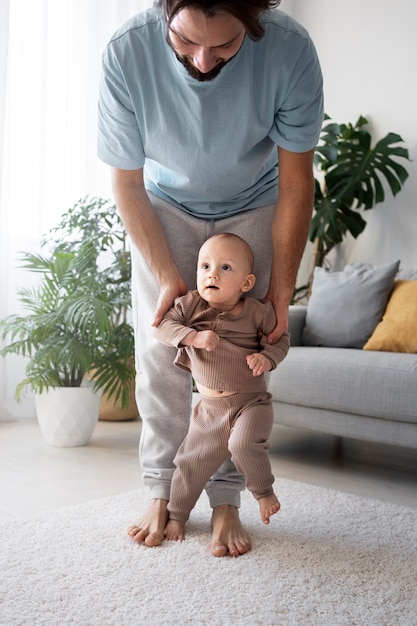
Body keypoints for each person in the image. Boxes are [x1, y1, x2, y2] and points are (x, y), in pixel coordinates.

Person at [97, 0, 324, 557]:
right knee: (160, 355)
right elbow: (126, 182)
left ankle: (226, 499)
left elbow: (297, 182)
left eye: (224, 47)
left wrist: (281, 286)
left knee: (240, 356)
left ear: (254, 19)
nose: (202, 62)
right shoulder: (127, 51)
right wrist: (168, 276)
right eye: (185, 43)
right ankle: (160, 491)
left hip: (256, 202)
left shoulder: (290, 50)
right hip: (164, 204)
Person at [154, 233, 290, 542]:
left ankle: (264, 493)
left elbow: (281, 339)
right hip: (210, 409)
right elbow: (162, 326)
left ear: (246, 283)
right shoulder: (190, 305)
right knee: (191, 463)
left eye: (225, 267)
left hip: (251, 404)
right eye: (205, 266)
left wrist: (267, 358)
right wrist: (193, 337)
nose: (211, 273)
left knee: (242, 446)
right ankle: (177, 516)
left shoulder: (258, 311)